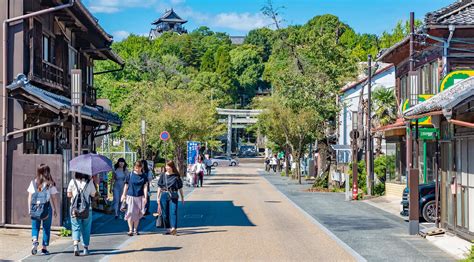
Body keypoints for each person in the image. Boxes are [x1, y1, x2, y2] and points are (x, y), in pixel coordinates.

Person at [27, 164, 58, 256]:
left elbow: (30, 196)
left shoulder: (33, 182)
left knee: (35, 227)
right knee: (46, 228)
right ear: (47, 172)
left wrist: (29, 209)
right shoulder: (50, 184)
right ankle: (44, 248)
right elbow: (54, 198)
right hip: (46, 208)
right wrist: (55, 209)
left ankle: (35, 241)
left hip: (35, 208)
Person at [67, 172, 97, 256]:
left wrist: (75, 194)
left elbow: (69, 194)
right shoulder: (89, 182)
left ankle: (76, 245)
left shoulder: (72, 181)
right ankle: (85, 248)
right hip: (87, 209)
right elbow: (93, 194)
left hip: (74, 209)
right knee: (86, 228)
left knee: (75, 226)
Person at [157, 160, 184, 235]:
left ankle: (173, 228)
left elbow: (180, 187)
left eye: (168, 166)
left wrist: (182, 197)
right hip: (164, 194)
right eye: (166, 166)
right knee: (165, 213)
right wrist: (158, 197)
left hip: (174, 194)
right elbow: (159, 187)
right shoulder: (163, 175)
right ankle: (168, 228)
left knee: (173, 211)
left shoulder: (176, 176)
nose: (167, 167)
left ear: (172, 167)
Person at [121, 161, 148, 236]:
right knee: (129, 213)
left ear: (141, 167)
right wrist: (123, 195)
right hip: (130, 196)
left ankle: (135, 229)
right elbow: (126, 185)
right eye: (136, 167)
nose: (137, 169)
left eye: (139, 167)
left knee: (137, 214)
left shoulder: (144, 176)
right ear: (134, 167)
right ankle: (130, 230)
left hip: (140, 196)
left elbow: (145, 187)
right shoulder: (130, 175)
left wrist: (145, 197)